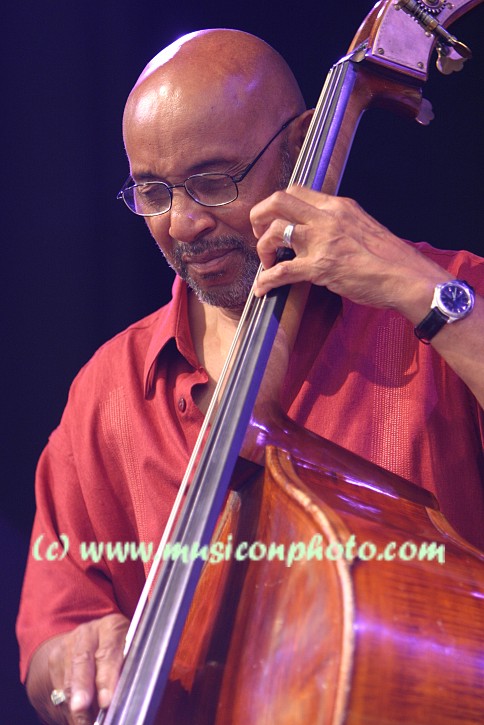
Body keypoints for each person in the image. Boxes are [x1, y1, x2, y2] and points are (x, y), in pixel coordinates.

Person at [17, 28, 484, 725]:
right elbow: (52, 640)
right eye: (152, 191)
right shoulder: (108, 389)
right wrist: (72, 664)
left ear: (297, 147)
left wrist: (424, 294)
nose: (182, 223)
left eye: (214, 182)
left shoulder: (451, 299)